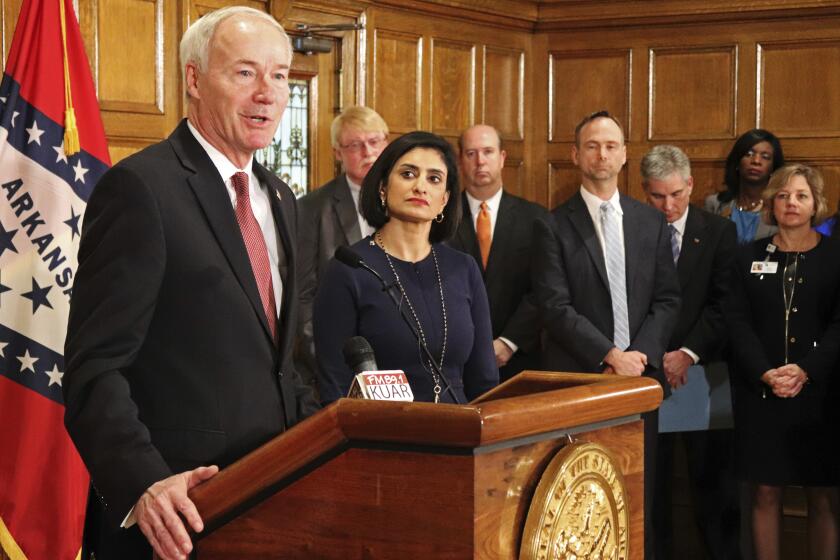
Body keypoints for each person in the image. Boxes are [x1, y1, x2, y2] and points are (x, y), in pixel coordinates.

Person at [62, 7, 318, 560]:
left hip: (269, 506)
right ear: (195, 80)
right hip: (174, 522)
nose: (267, 94)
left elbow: (279, 364)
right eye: (245, 73)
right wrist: (145, 486)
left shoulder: (281, 197)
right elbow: (94, 370)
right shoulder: (140, 189)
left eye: (279, 75)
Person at [533, 110, 680, 559]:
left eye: (611, 145)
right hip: (581, 381)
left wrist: (638, 356)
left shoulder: (649, 221)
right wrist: (611, 355)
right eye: (592, 145)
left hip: (638, 383)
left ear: (625, 155)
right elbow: (555, 307)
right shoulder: (553, 225)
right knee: (584, 502)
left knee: (639, 499)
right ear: (576, 155)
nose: (602, 153)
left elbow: (668, 299)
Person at [314, 131, 498, 404]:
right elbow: (334, 385)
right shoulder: (349, 269)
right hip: (382, 437)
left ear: (444, 200)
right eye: (408, 174)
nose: (421, 187)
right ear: (383, 188)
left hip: (460, 432)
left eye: (434, 178)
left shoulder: (464, 268)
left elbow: (484, 381)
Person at [727, 164, 840, 560]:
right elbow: (736, 322)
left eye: (801, 196)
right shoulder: (746, 258)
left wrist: (807, 370)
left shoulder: (835, 257)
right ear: (772, 204)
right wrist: (766, 371)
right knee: (764, 492)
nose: (791, 203)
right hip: (762, 392)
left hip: (822, 396)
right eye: (783, 195)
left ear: (816, 205)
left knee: (823, 496)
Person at [641, 145, 740, 560]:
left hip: (704, 373)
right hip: (647, 373)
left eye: (676, 195)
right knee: (652, 488)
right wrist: (656, 355)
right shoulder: (634, 230)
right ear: (644, 191)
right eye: (658, 196)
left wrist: (687, 352)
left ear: (691, 186)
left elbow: (725, 303)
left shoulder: (718, 232)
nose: (668, 205)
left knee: (711, 487)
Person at [296, 107, 390, 395]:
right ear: (338, 153)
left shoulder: (409, 200)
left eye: (374, 142)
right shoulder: (312, 208)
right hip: (338, 364)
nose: (368, 152)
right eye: (355, 145)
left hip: (399, 357)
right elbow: (303, 296)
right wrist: (330, 361)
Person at [448, 124, 549, 382]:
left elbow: (545, 289)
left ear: (502, 158)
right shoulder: (441, 219)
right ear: (460, 160)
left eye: (488, 152)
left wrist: (509, 342)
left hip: (521, 361)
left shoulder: (535, 218)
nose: (480, 161)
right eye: (471, 153)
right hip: (457, 362)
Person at [705, 129, 785, 244]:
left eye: (765, 157)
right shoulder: (715, 204)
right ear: (737, 161)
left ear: (773, 167)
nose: (756, 161)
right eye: (749, 154)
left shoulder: (779, 208)